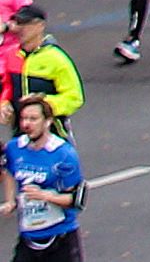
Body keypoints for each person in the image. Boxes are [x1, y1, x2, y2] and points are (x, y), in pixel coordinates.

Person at [5, 85, 73, 262]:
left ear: (48, 121)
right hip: (28, 236)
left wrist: (45, 196)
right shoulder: (14, 148)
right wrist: (10, 199)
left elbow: (75, 199)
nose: (27, 124)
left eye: (33, 119)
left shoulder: (64, 154)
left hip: (60, 236)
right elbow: (9, 171)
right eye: (24, 119)